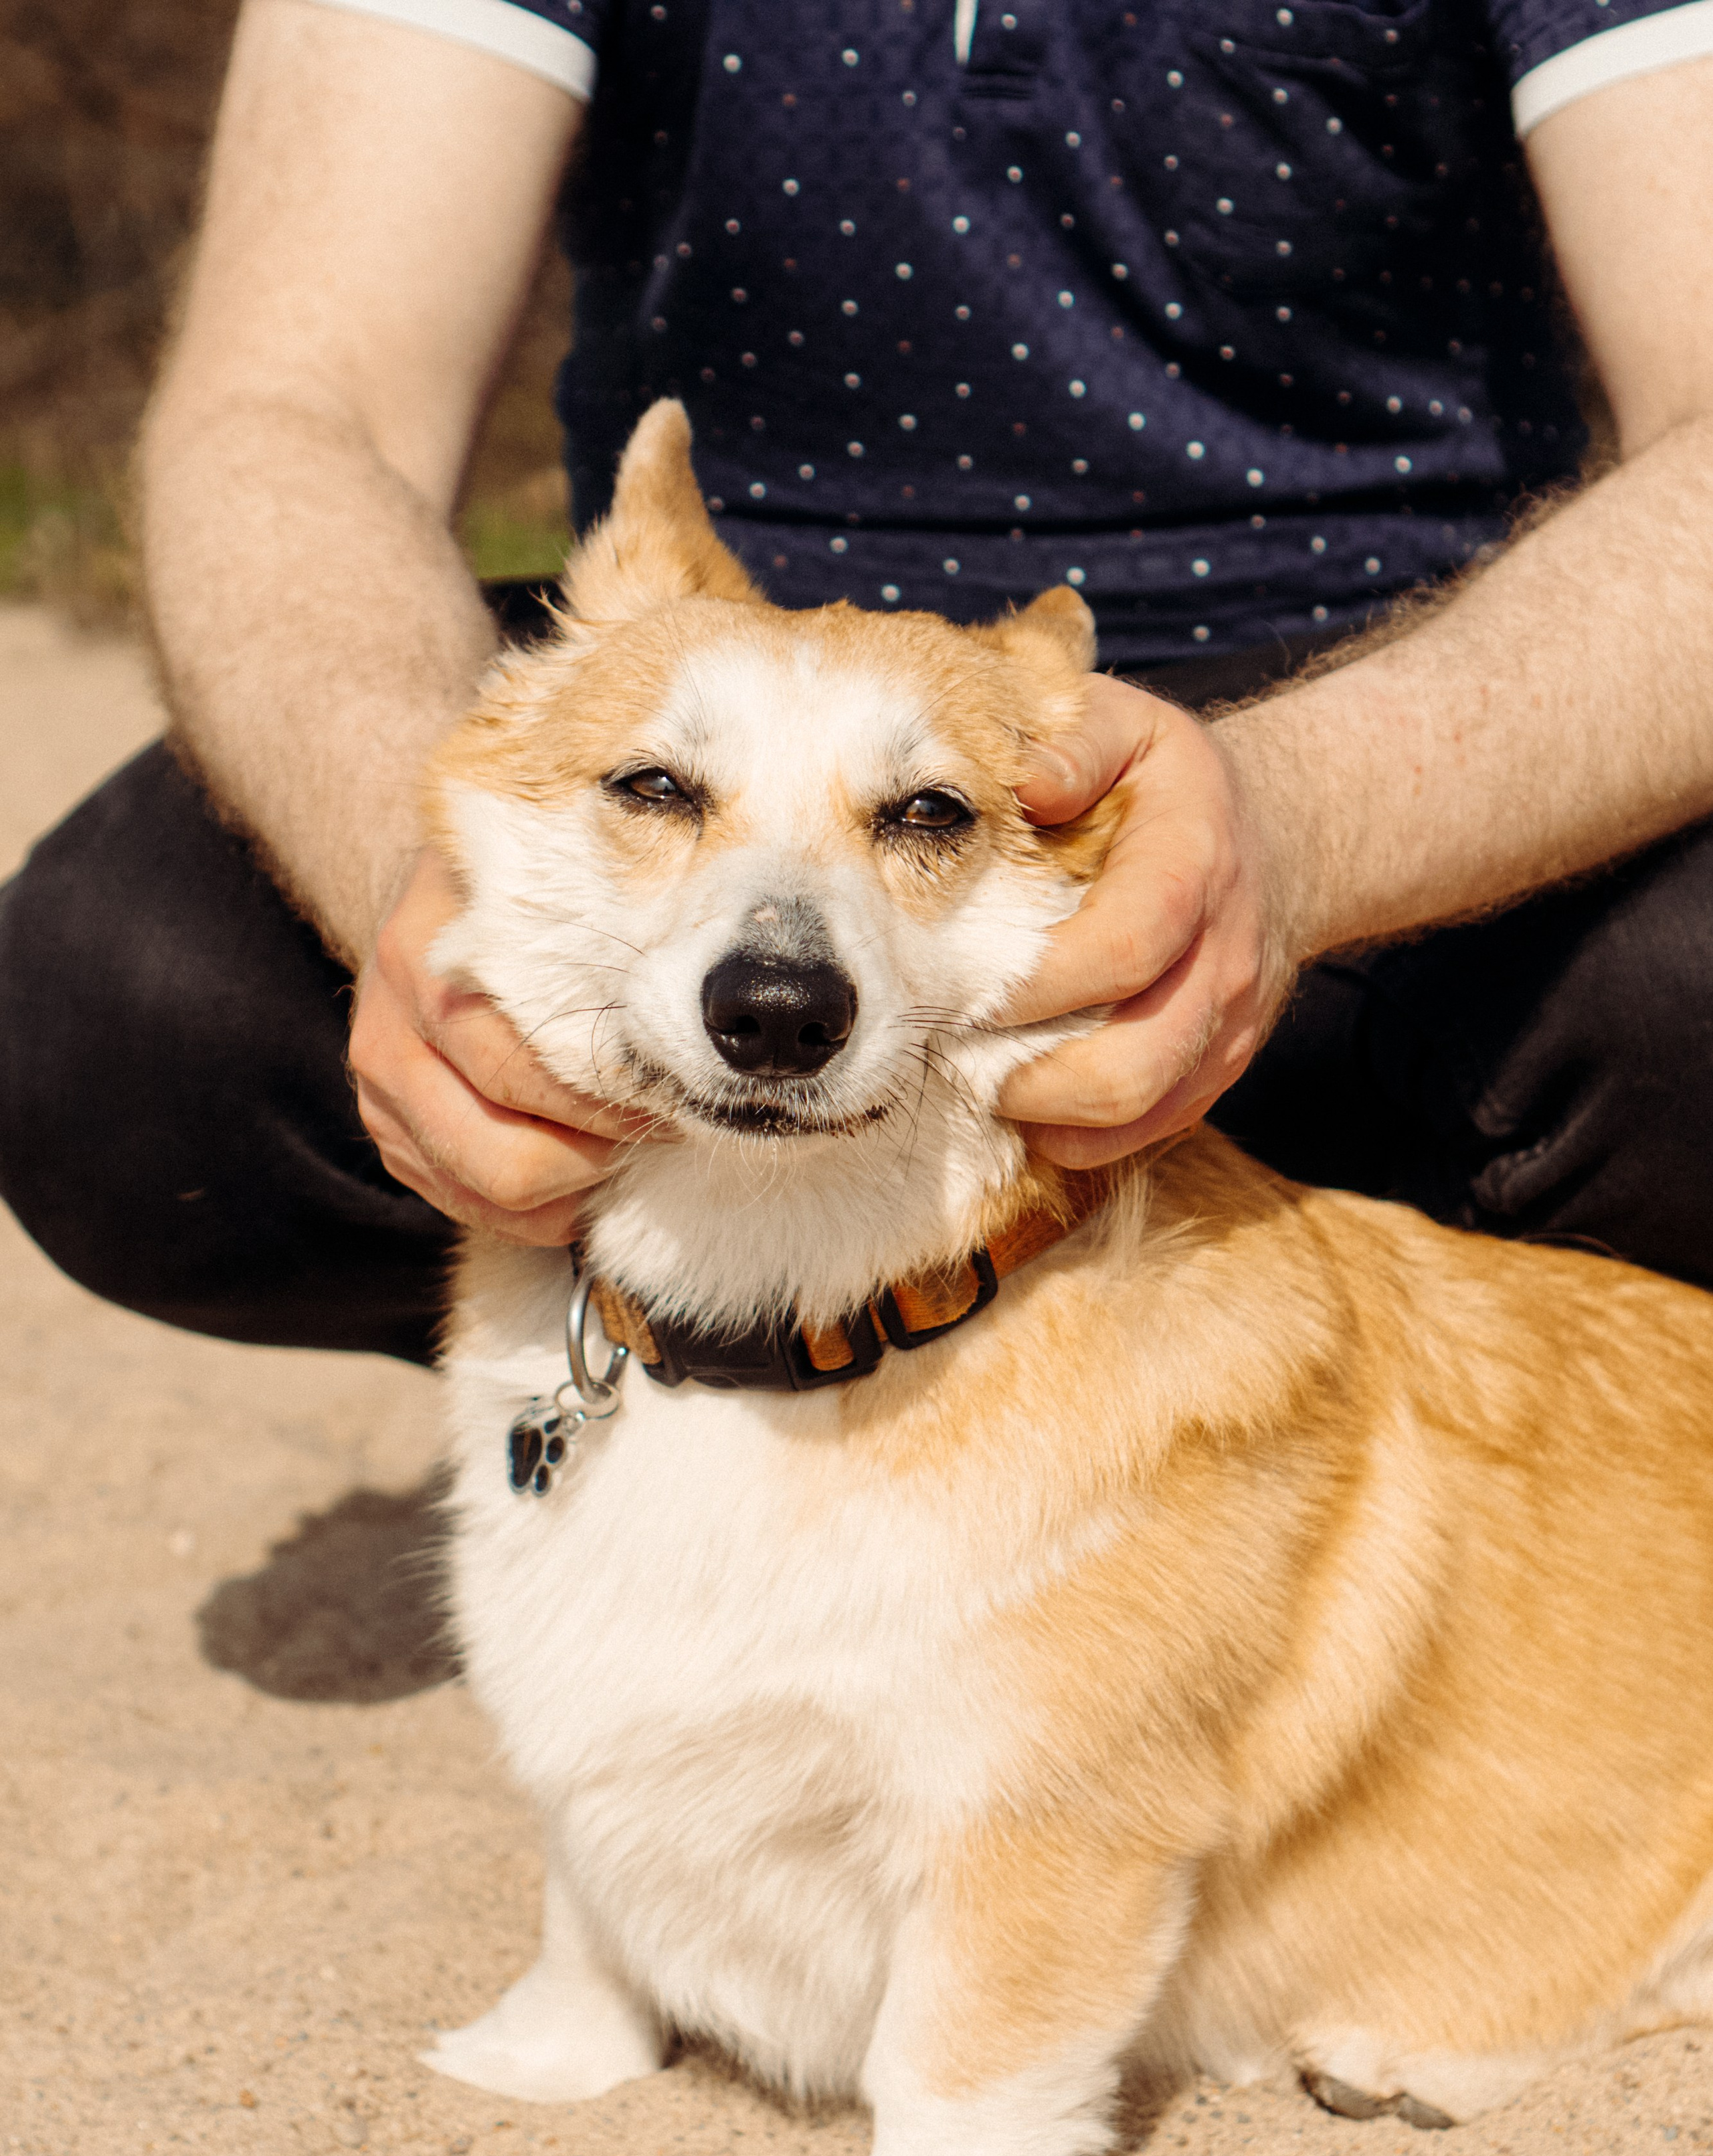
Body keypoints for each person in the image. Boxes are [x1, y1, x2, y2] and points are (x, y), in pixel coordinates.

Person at [3, 0, 1713, 1367]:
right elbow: (298, 405)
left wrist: (1314, 819)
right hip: (722, 666)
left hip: (1370, 706)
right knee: (123, 1007)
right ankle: (688, 1340)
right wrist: (411, 881)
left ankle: (1397, 1369)